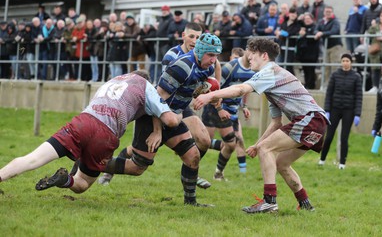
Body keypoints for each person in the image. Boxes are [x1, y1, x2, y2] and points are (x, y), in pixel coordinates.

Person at [193, 37, 328, 213]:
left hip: (310, 120)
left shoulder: (269, 72)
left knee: (267, 149)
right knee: (281, 164)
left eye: (253, 54)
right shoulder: (274, 82)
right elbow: (276, 123)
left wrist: (210, 95)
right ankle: (305, 204)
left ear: (264, 56)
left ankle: (269, 201)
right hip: (318, 123)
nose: (249, 57)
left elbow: (241, 89)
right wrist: (257, 145)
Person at [0, 71, 181, 194]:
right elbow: (170, 120)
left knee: (33, 158)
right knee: (82, 184)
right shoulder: (146, 87)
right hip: (105, 135)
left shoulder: (114, 80)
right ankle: (66, 180)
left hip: (83, 121)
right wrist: (180, 113)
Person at [101, 33, 222, 207]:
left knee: (193, 156)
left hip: (173, 116)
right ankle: (92, 163)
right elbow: (157, 99)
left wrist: (205, 90)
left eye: (216, 56)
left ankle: (190, 203)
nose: (213, 60)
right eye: (211, 55)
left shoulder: (207, 67)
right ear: (201, 51)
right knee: (137, 168)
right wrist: (157, 131)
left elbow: (199, 82)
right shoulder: (182, 66)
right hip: (153, 117)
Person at [202, 49, 254, 178]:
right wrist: (219, 109)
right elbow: (215, 89)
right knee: (204, 142)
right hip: (217, 108)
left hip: (232, 112)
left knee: (233, 143)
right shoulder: (230, 67)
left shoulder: (253, 70)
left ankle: (220, 174)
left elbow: (244, 90)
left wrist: (244, 106)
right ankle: (188, 149)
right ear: (249, 51)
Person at [319, 54, 363, 169]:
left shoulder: (356, 77)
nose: (345, 62)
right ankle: (322, 160)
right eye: (343, 60)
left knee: (344, 138)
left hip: (349, 110)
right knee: (329, 137)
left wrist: (357, 114)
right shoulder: (335, 75)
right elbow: (329, 94)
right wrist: (327, 110)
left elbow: (359, 97)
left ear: (351, 62)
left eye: (347, 60)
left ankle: (342, 164)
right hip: (335, 109)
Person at [296, 12, 319, 89]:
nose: (307, 20)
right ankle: (307, 86)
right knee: (305, 70)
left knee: (311, 71)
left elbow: (313, 38)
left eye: (308, 19)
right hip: (304, 53)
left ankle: (311, 86)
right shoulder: (303, 27)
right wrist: (299, 18)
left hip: (312, 53)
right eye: (305, 19)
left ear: (312, 19)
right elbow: (297, 23)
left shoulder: (315, 27)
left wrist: (304, 35)